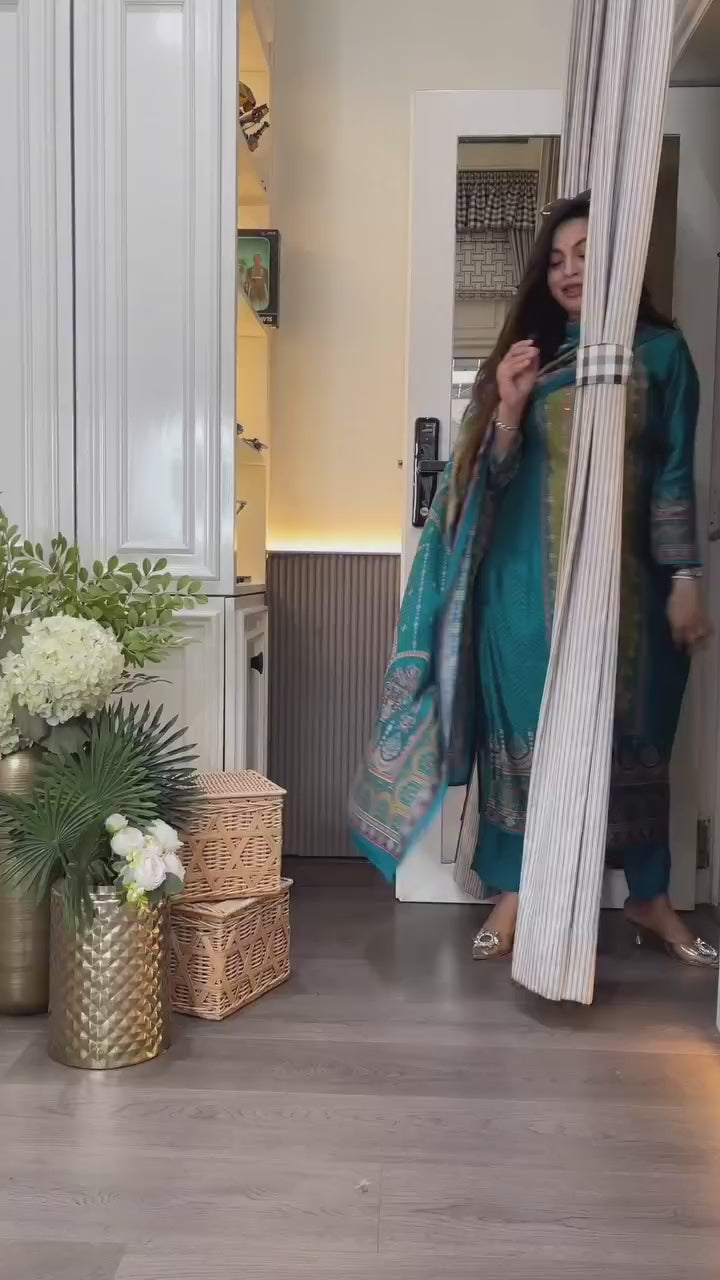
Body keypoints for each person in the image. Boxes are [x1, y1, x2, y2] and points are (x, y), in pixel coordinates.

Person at [350, 193, 717, 971]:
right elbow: (482, 485)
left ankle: (649, 896)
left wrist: (686, 577)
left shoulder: (661, 356)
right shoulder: (528, 360)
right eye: (555, 260)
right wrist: (510, 412)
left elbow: (675, 476)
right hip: (521, 597)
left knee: (638, 740)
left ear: (621, 263)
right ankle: (514, 891)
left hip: (632, 601)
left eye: (584, 255)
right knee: (522, 741)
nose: (568, 272)